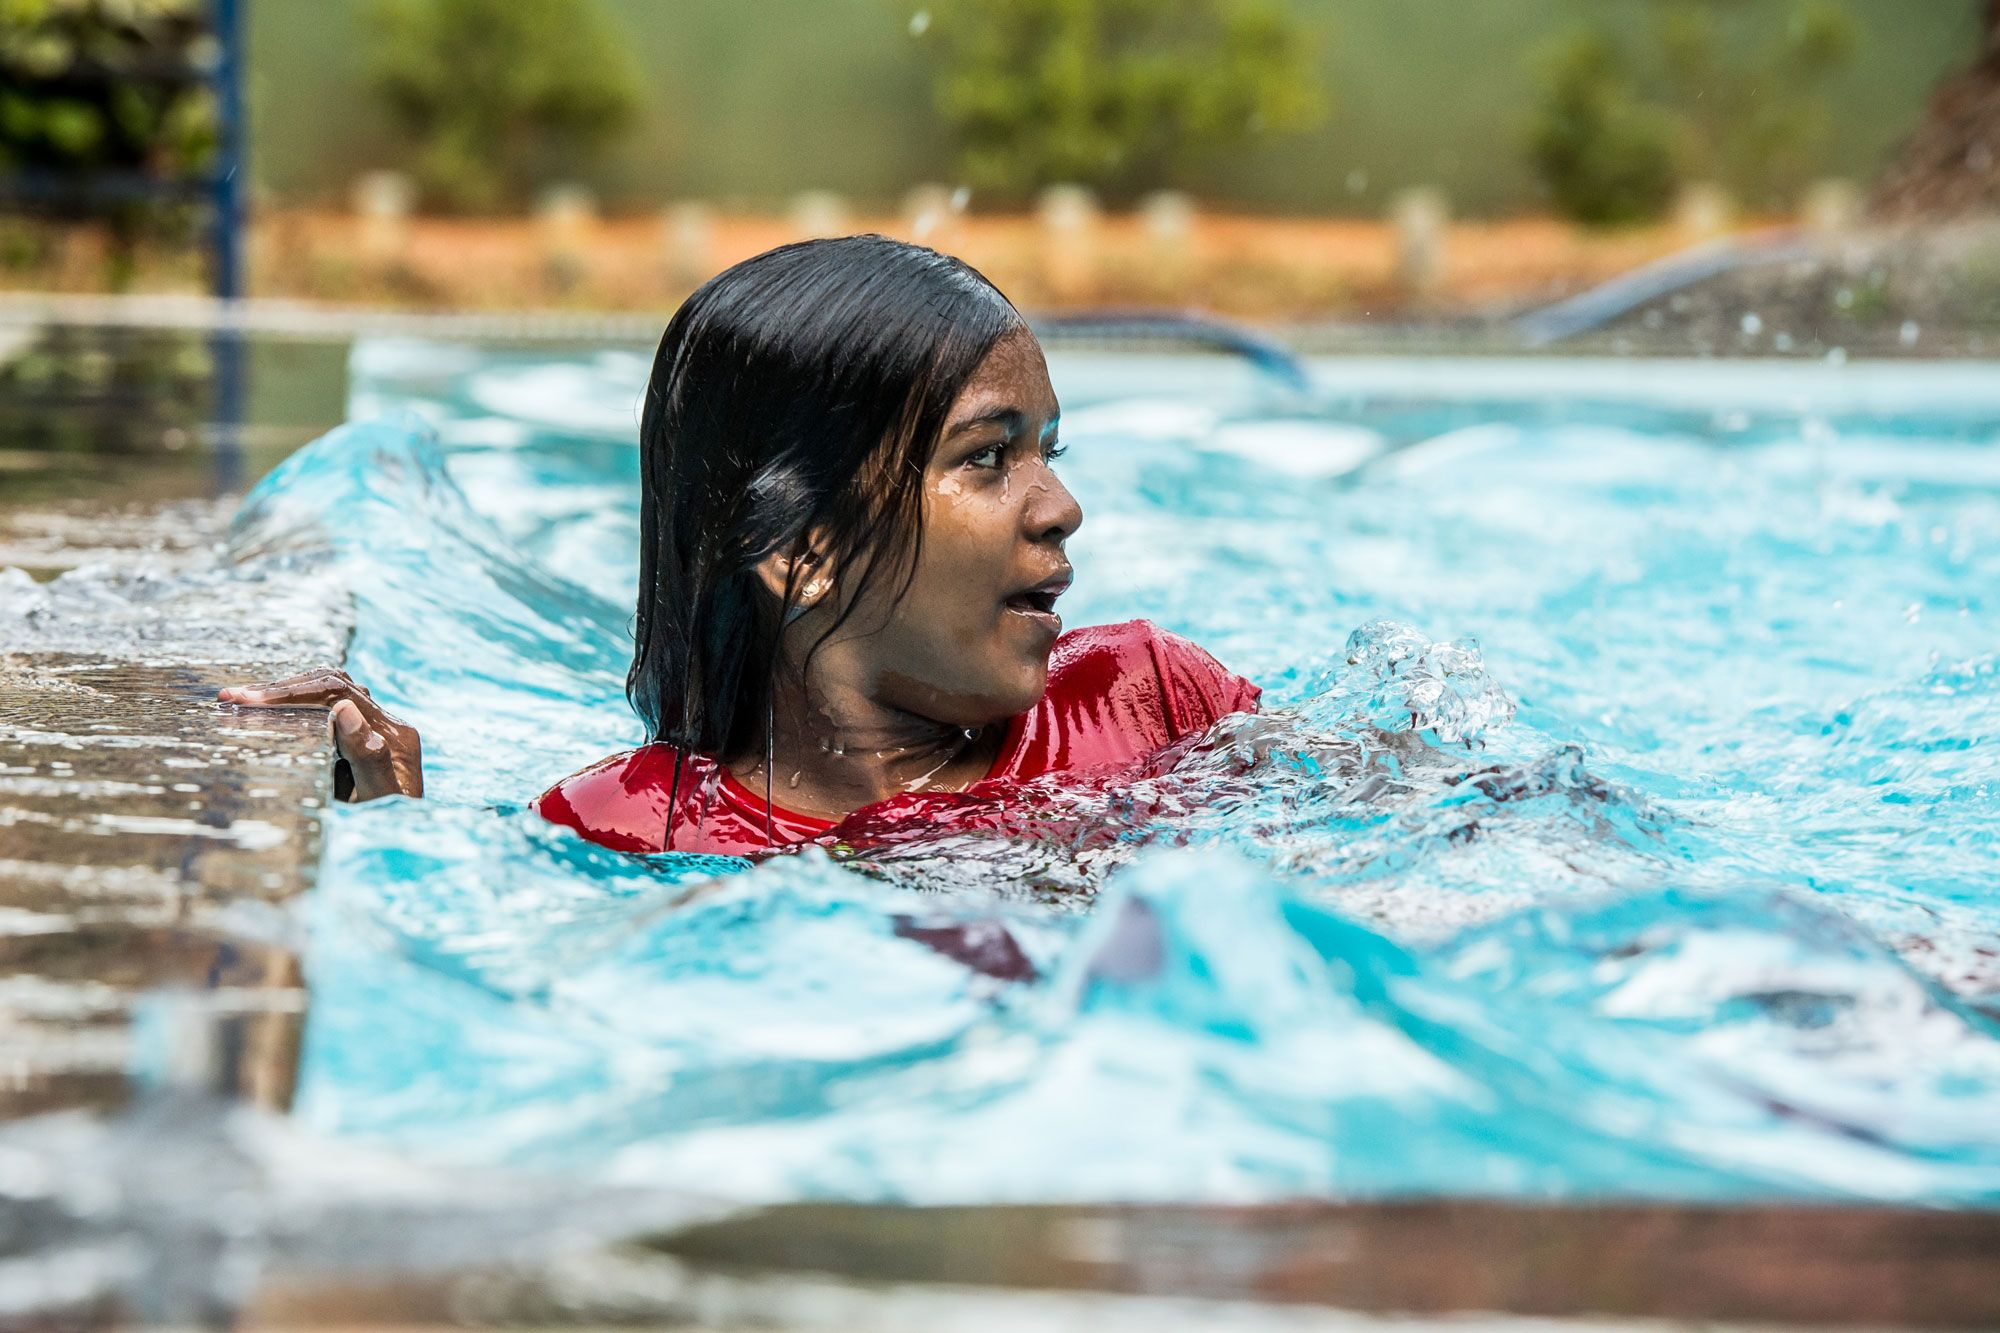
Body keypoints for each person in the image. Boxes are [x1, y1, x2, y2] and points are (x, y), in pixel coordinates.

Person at [219, 236, 1261, 856]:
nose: (1059, 505)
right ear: (800, 552)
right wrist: (388, 831)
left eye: (1048, 449)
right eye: (986, 458)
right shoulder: (631, 825)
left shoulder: (1150, 704)